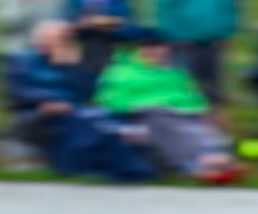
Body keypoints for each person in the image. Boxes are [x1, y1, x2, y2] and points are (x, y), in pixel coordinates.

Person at [9, 20, 154, 181]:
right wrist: (48, 101)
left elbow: (88, 90)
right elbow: (17, 91)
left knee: (106, 120)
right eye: (56, 38)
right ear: (40, 40)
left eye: (63, 38)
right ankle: (115, 167)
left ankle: (116, 165)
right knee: (83, 122)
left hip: (73, 109)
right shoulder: (22, 60)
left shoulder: (69, 60)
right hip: (36, 111)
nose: (60, 42)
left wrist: (73, 66)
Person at [94, 30, 240, 181]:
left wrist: (191, 109)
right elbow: (109, 100)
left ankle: (212, 158)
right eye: (150, 47)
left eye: (161, 48)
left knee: (205, 118)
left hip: (181, 115)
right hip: (141, 116)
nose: (156, 51)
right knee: (160, 118)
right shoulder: (120, 73)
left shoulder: (176, 74)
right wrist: (149, 105)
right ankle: (203, 162)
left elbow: (194, 100)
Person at [64, 0, 135, 80]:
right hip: (84, 41)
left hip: (111, 43)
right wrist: (79, 23)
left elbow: (126, 18)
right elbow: (69, 16)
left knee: (109, 73)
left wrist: (114, 23)